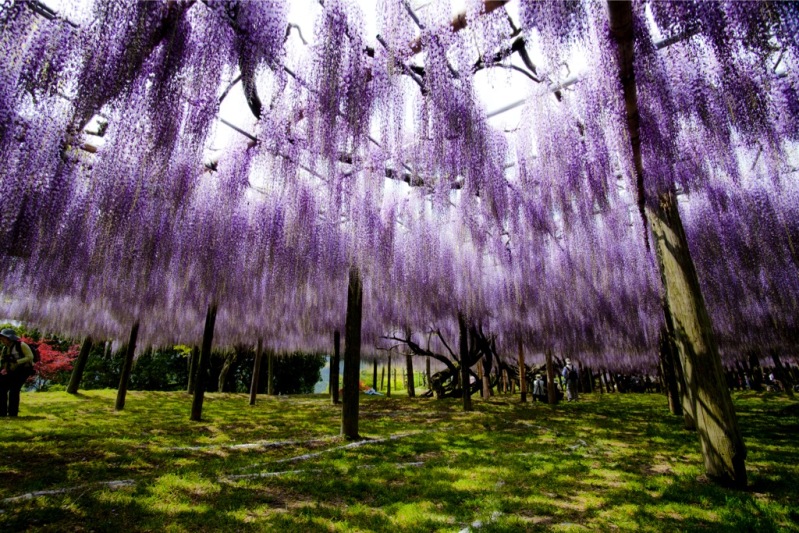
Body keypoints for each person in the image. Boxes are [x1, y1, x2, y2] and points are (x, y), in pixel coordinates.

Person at [0, 328, 34, 417]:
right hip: (11, 370)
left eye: (3, 338)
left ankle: (12, 413)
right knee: (2, 388)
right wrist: (4, 369)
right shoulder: (5, 348)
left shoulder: (21, 345)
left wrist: (17, 362)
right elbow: (4, 360)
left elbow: (30, 357)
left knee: (14, 390)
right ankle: (2, 412)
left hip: (24, 370)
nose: (2, 340)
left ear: (9, 338)